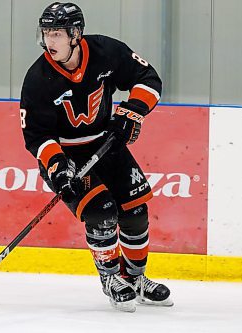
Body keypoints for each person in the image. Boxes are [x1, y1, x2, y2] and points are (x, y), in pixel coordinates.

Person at [19, 2, 173, 312]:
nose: (50, 41)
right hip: (67, 157)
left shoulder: (106, 51)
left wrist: (133, 110)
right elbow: (36, 135)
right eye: (46, 32)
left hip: (107, 145)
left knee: (135, 212)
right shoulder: (38, 78)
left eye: (58, 33)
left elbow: (148, 79)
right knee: (101, 212)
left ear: (75, 34)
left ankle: (135, 279)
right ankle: (111, 278)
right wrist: (58, 166)